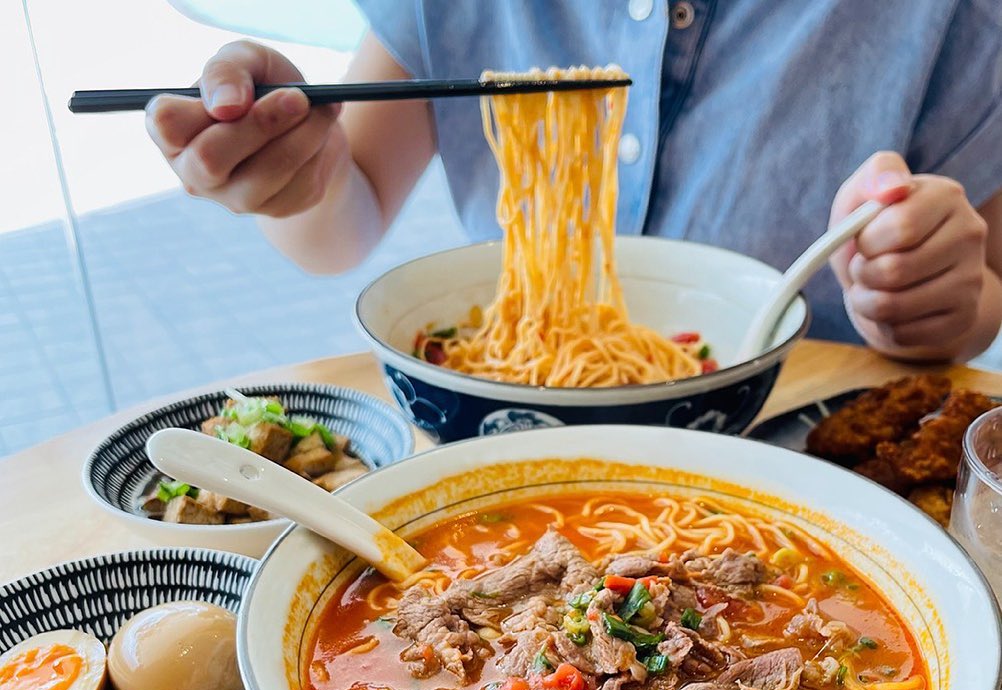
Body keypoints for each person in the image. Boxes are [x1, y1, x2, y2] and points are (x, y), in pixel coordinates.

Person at [146, 1, 1002, 361]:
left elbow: (981, 294)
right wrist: (292, 165)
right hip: (512, 440)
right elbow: (341, 222)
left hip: (809, 461)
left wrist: (927, 295)